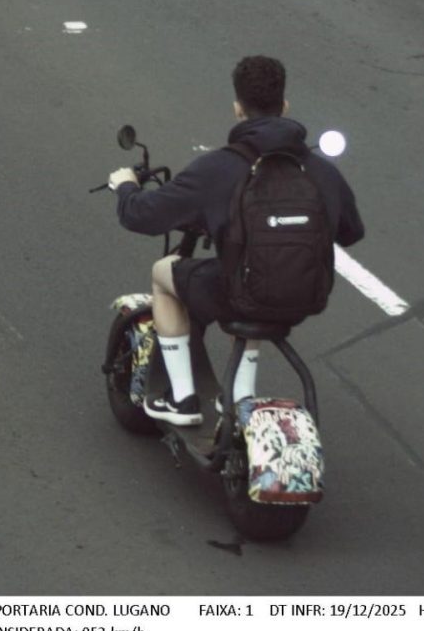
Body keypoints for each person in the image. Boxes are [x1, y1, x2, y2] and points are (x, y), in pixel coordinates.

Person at [108, 55, 365, 425]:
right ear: (284, 105)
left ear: (237, 109)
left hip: (244, 293)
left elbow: (141, 216)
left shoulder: (220, 167)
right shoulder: (318, 168)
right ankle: (239, 395)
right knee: (255, 274)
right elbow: (352, 231)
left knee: (167, 272)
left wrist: (126, 187)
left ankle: (181, 399)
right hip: (308, 296)